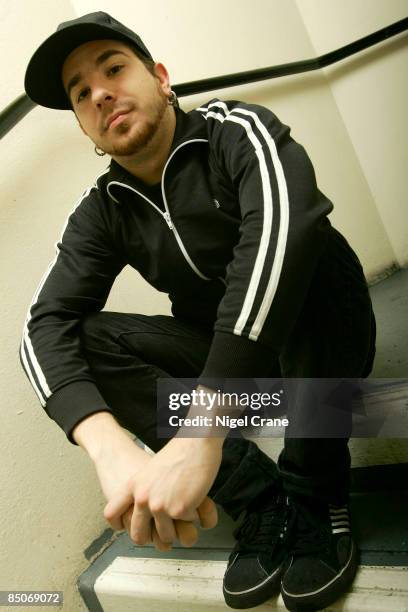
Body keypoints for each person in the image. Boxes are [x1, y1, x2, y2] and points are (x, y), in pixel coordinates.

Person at [21, 11, 376, 612]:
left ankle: (316, 494)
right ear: (87, 128)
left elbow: (285, 230)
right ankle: (261, 499)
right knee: (80, 335)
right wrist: (110, 446)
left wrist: (204, 423)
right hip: (251, 386)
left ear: (161, 78)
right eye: (82, 94)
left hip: (323, 353)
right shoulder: (102, 211)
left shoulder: (235, 130)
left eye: (113, 69)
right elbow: (43, 327)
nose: (100, 92)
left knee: (301, 252)